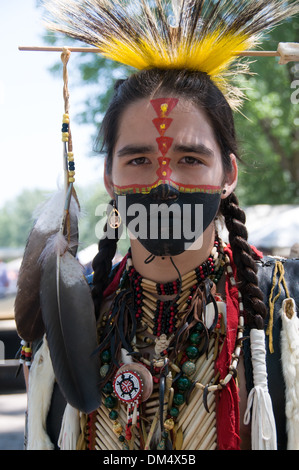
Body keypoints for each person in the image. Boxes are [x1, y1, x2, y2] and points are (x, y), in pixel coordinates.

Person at [15, 0, 299, 451]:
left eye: (190, 159)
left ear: (228, 175)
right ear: (110, 178)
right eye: (139, 159)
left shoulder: (284, 307)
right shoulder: (71, 312)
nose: (164, 181)